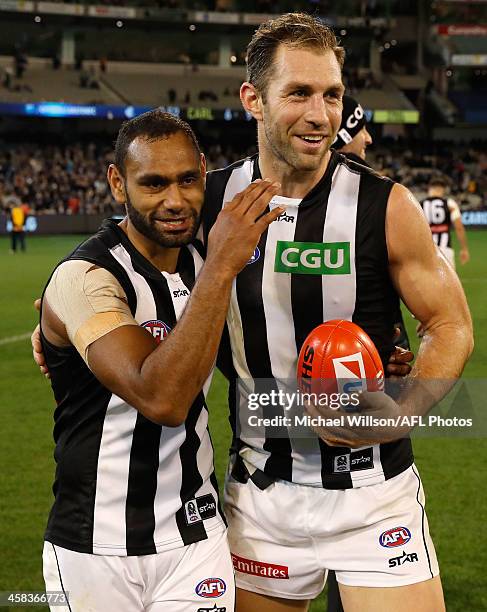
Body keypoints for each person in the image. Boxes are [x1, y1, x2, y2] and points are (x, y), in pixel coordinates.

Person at [201, 13, 472, 612]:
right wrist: (58, 319)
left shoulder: (385, 205)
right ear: (253, 98)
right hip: (262, 495)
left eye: (332, 95)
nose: (320, 115)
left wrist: (406, 412)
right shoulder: (209, 202)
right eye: (298, 93)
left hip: (375, 499)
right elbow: (122, 268)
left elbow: (450, 323)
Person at [38, 110, 283, 612]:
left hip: (195, 535)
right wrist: (220, 267)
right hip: (95, 543)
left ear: (202, 171)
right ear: (117, 184)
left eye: (188, 180)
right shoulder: (87, 277)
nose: (174, 201)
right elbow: (164, 399)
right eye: (152, 184)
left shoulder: (203, 256)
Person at [334, 94, 410, 355]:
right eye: (360, 130)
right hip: (372, 356)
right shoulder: (380, 193)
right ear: (343, 135)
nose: (368, 138)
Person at [419, 176, 470, 270]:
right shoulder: (450, 204)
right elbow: (459, 227)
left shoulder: (419, 204)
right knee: (448, 282)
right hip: (445, 248)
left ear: (429, 188)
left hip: (426, 249)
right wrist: (464, 249)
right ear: (443, 189)